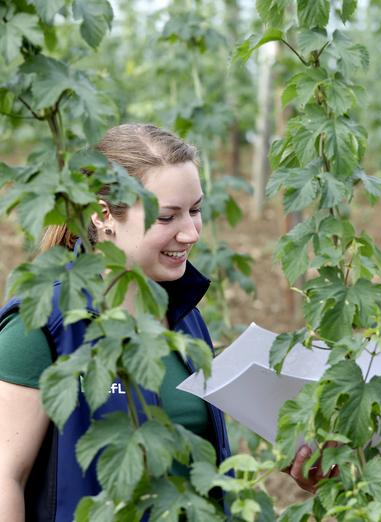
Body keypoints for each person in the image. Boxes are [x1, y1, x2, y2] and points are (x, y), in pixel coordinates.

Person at [0, 124, 230, 521]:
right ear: (105, 215)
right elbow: (7, 477)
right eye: (166, 217)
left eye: (195, 210)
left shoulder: (186, 317)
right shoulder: (41, 327)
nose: (191, 232)